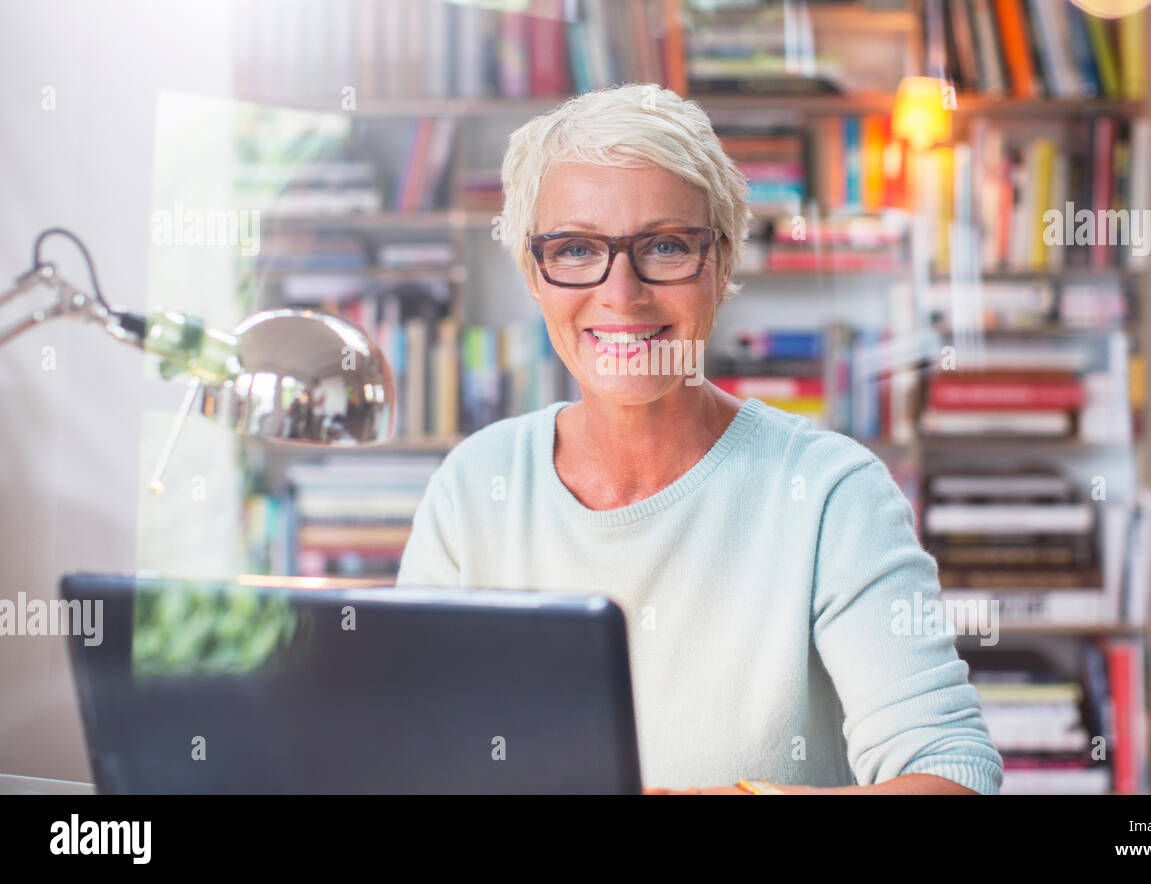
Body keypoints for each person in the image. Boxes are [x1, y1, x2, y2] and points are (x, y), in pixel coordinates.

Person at [398, 83, 1003, 795]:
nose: (621, 294)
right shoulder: (477, 484)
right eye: (576, 248)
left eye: (664, 245)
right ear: (535, 275)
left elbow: (951, 777)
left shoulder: (831, 493)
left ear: (721, 268)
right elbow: (414, 756)